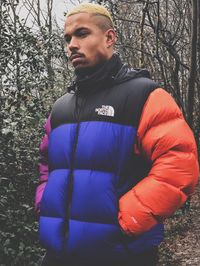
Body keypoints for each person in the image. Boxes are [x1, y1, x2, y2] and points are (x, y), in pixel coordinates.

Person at [35, 3, 199, 266]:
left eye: (82, 34)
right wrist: (45, 202)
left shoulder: (145, 95)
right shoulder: (60, 108)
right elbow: (47, 164)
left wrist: (127, 218)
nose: (72, 45)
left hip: (122, 254)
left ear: (109, 37)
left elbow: (180, 164)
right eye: (67, 38)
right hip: (59, 253)